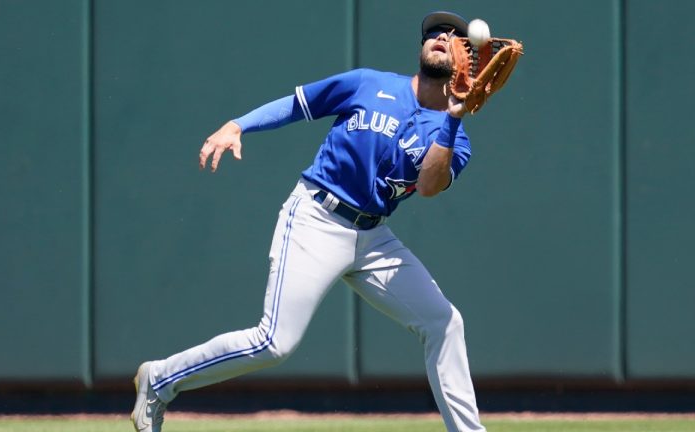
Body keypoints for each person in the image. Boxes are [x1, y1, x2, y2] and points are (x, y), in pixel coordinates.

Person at [132, 10, 486, 432]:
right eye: (433, 33)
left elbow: (429, 185)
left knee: (444, 322)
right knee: (273, 343)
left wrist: (453, 119)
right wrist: (237, 125)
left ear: (468, 61)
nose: (442, 37)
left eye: (455, 36)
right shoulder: (369, 83)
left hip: (373, 236)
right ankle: (159, 379)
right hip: (318, 216)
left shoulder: (453, 135)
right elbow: (298, 104)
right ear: (421, 47)